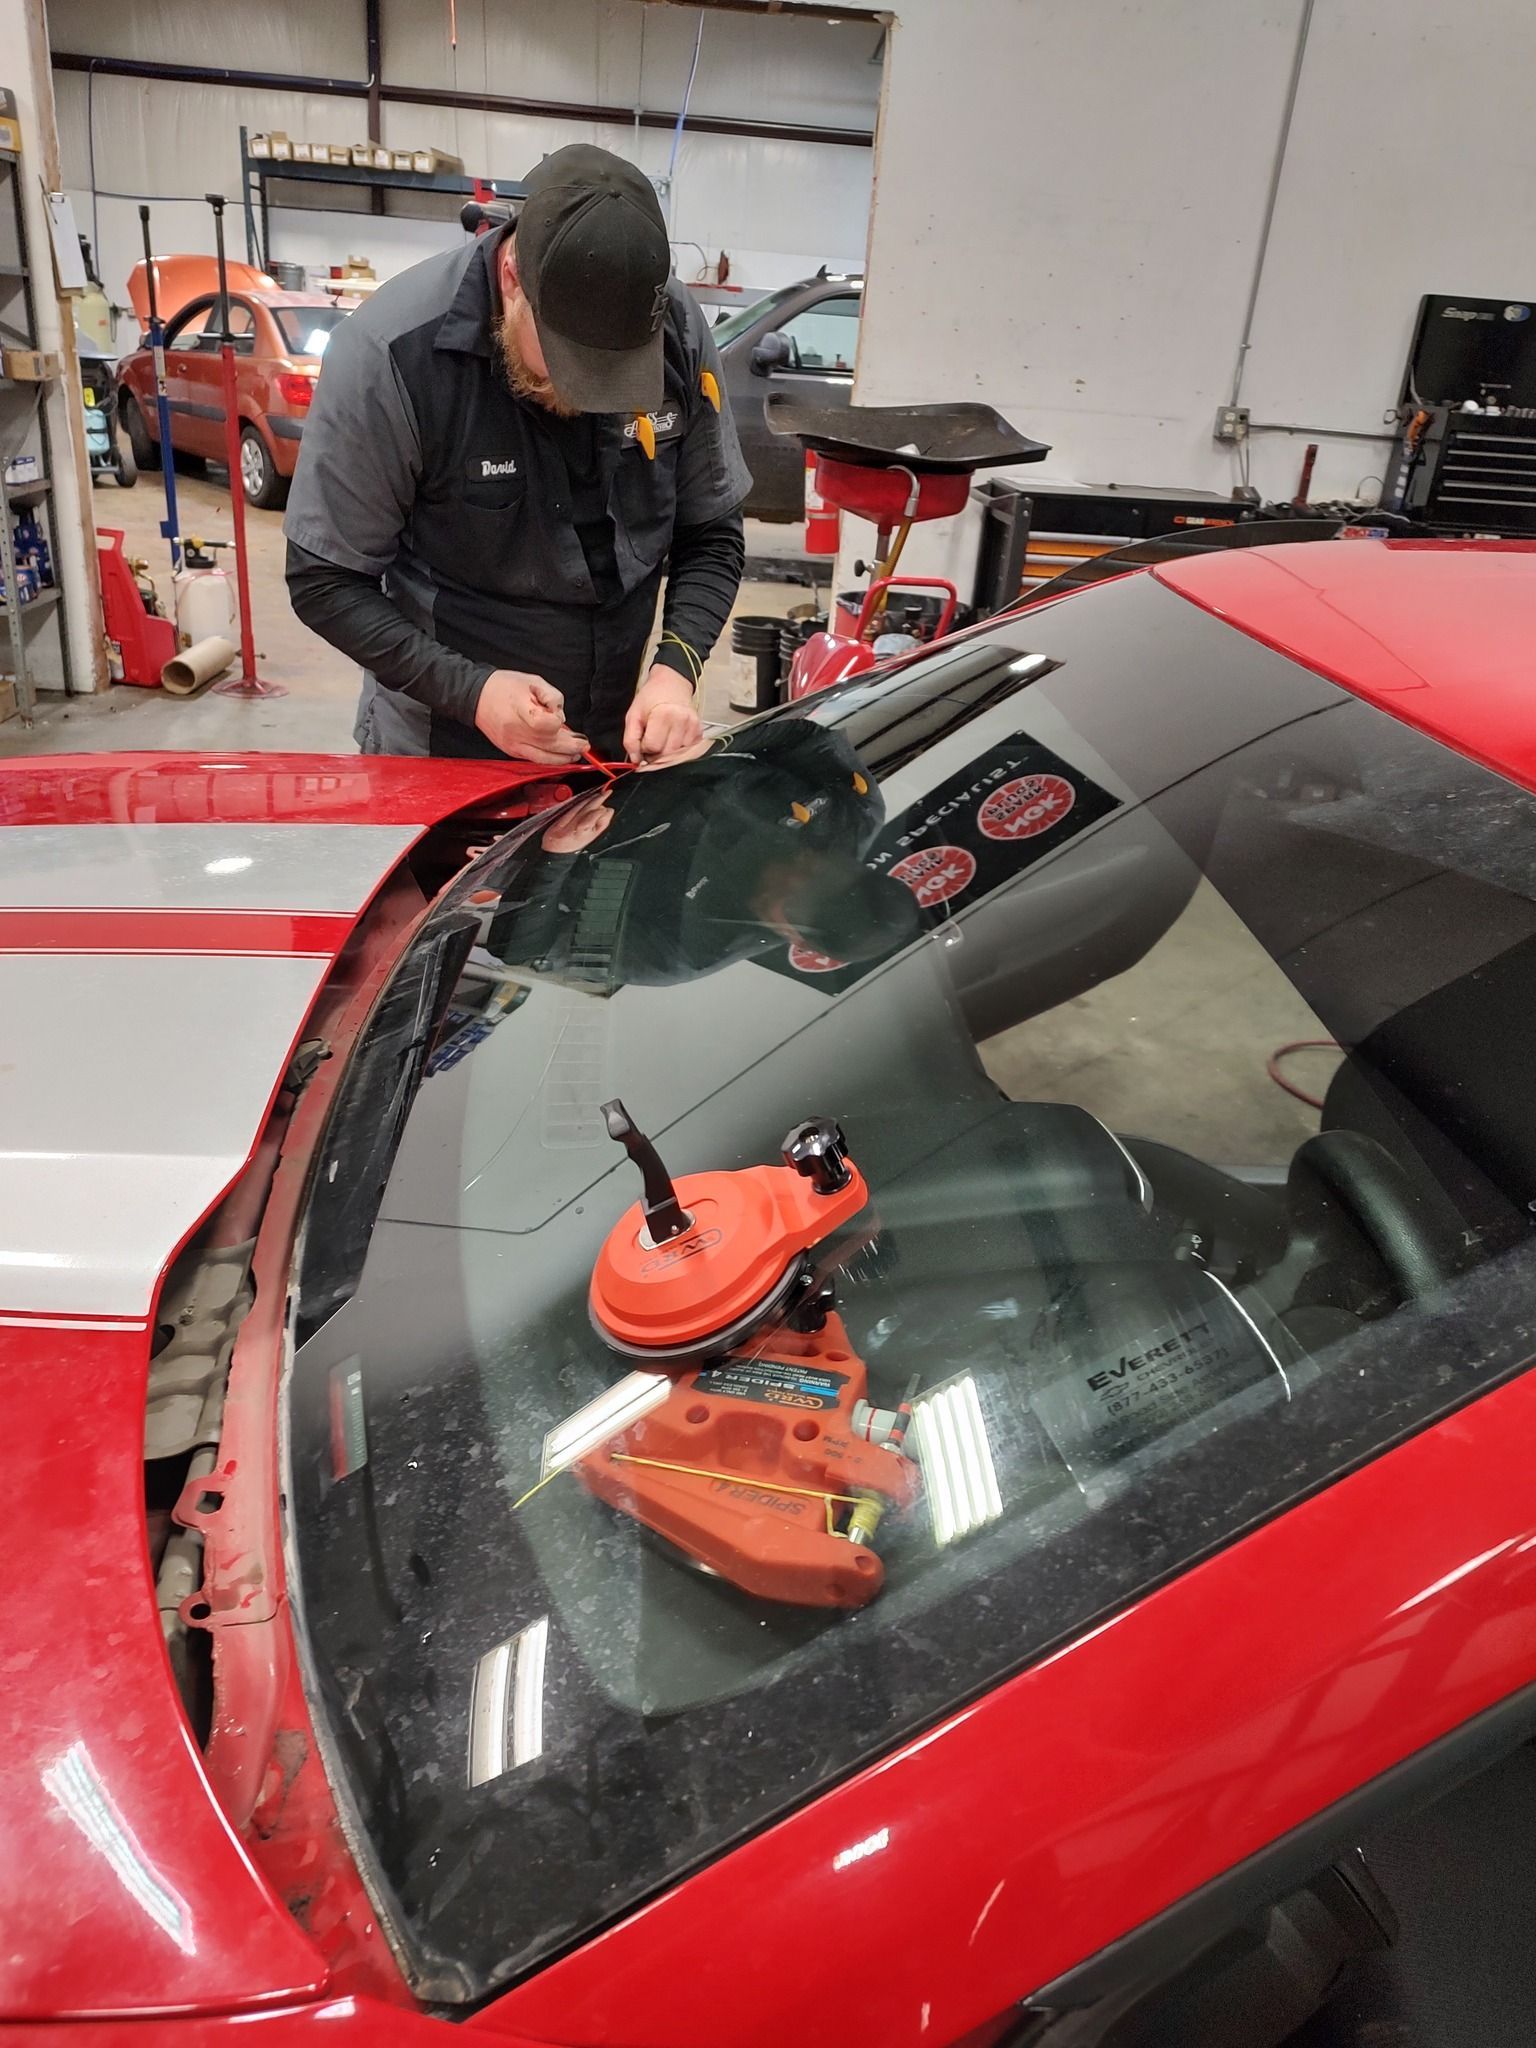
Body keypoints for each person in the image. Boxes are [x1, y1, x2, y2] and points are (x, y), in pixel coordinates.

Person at [284, 144, 751, 766]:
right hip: (442, 750)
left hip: (612, 753)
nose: (584, 395)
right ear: (512, 277)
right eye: (567, 362)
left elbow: (711, 530)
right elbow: (325, 580)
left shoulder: (675, 329)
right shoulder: (390, 355)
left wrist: (674, 672)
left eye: (611, 374)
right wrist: (472, 692)